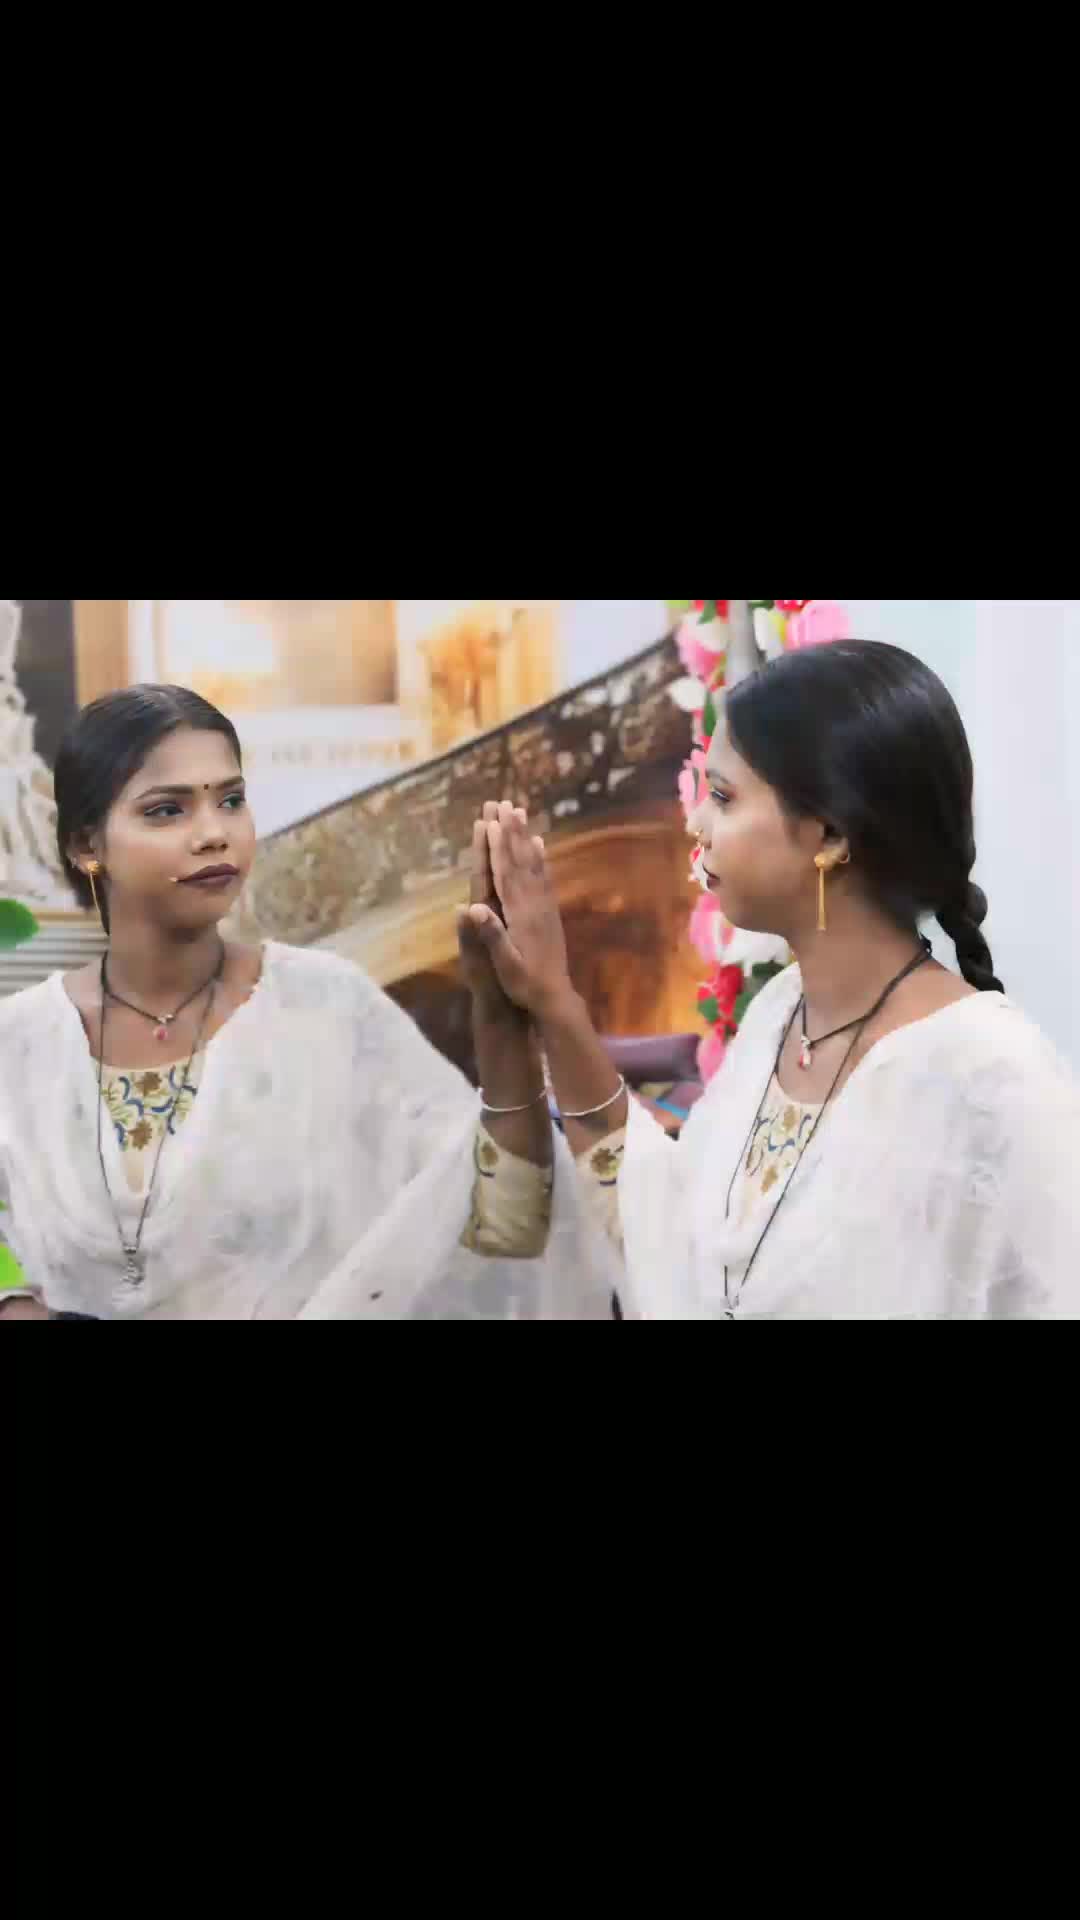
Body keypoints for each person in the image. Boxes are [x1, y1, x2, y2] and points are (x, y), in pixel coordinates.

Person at [462, 641, 1080, 1319]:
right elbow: (668, 1238)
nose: (695, 822)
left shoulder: (992, 1078)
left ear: (830, 836)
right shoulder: (780, 1018)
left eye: (723, 798)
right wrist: (548, 997)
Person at [0, 685, 614, 1320]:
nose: (214, 833)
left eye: (231, 800)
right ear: (87, 846)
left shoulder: (326, 1008)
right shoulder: (20, 1044)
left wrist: (501, 1020)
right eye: (166, 811)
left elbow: (508, 1226)